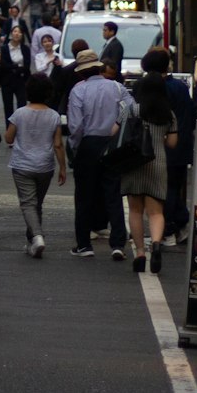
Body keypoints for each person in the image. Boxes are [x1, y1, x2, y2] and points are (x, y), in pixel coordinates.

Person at [67, 48, 128, 259]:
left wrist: (75, 149)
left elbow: (75, 126)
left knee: (84, 195)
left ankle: (84, 244)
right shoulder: (117, 87)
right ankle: (118, 242)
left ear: (81, 71)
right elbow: (132, 108)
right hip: (112, 143)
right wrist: (118, 123)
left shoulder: (78, 90)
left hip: (88, 143)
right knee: (113, 193)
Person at [4, 72, 66, 256]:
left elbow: (8, 138)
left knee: (27, 203)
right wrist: (62, 167)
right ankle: (32, 240)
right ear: (48, 93)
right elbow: (58, 144)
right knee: (37, 203)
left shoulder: (19, 113)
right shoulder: (54, 116)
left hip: (22, 164)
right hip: (45, 166)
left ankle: (37, 237)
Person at [123, 71, 178, 274]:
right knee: (156, 212)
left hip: (134, 163)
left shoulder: (131, 109)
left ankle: (139, 253)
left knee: (135, 211)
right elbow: (172, 142)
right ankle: (155, 243)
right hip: (158, 164)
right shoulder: (168, 114)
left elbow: (115, 131)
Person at [141, 47, 197, 246]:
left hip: (164, 145)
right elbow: (192, 114)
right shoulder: (181, 87)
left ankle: (168, 231)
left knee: (164, 191)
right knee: (173, 187)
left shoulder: (158, 89)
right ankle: (180, 223)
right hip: (182, 145)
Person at [0, 21, 30, 120]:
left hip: (21, 81)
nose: (17, 34)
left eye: (19, 32)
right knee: (8, 108)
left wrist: (14, 68)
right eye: (15, 31)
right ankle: (9, 130)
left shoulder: (25, 49)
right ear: (11, 34)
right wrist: (16, 67)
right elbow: (3, 64)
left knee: (22, 106)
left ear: (22, 35)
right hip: (7, 81)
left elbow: (27, 66)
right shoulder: (4, 48)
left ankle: (21, 128)